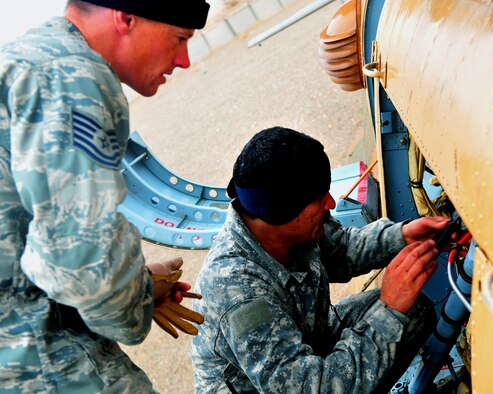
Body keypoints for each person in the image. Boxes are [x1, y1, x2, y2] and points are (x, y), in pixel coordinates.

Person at [0, 0, 209, 392]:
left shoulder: (29, 60)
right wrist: (137, 299)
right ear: (126, 17)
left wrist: (139, 280)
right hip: (37, 361)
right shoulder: (74, 77)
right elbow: (83, 262)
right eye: (179, 39)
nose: (183, 60)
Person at [191, 127, 450, 393]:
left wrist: (401, 235)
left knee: (412, 311)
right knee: (394, 315)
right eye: (318, 198)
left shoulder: (290, 224)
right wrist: (389, 308)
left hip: (306, 343)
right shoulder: (238, 293)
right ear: (282, 212)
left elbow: (340, 249)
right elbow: (310, 388)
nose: (331, 203)